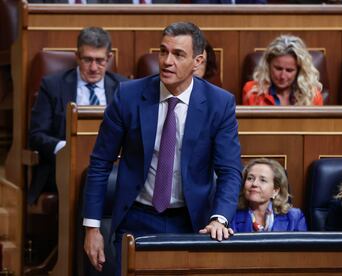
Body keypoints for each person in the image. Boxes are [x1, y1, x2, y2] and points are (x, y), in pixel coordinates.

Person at [83, 22, 242, 274]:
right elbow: (100, 163)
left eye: (178, 54)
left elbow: (230, 170)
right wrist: (92, 228)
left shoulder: (219, 104)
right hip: (135, 218)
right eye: (163, 51)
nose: (167, 61)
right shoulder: (128, 95)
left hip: (192, 222)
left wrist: (219, 217)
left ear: (197, 61)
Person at [28, 27, 127, 204]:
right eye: (88, 60)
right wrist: (67, 149)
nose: (94, 67)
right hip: (62, 169)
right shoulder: (53, 85)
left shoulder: (124, 87)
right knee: (93, 182)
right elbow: (36, 135)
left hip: (112, 167)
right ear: (77, 56)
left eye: (100, 60)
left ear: (109, 58)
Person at [242, 35, 323, 106]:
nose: (282, 76)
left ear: (299, 71)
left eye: (289, 70)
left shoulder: (312, 95)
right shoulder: (252, 92)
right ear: (268, 66)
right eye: (278, 68)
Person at [230, 158, 307, 232]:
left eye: (263, 180)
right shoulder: (231, 217)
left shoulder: (295, 218)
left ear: (275, 191)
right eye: (250, 178)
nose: (254, 184)